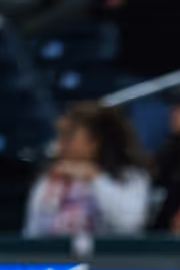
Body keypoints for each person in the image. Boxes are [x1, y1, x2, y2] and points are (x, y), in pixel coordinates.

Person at [24, 101, 152, 238]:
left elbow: (129, 224)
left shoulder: (130, 177)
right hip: (56, 258)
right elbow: (32, 233)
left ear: (94, 141)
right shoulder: (51, 179)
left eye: (68, 137)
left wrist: (96, 178)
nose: (58, 145)